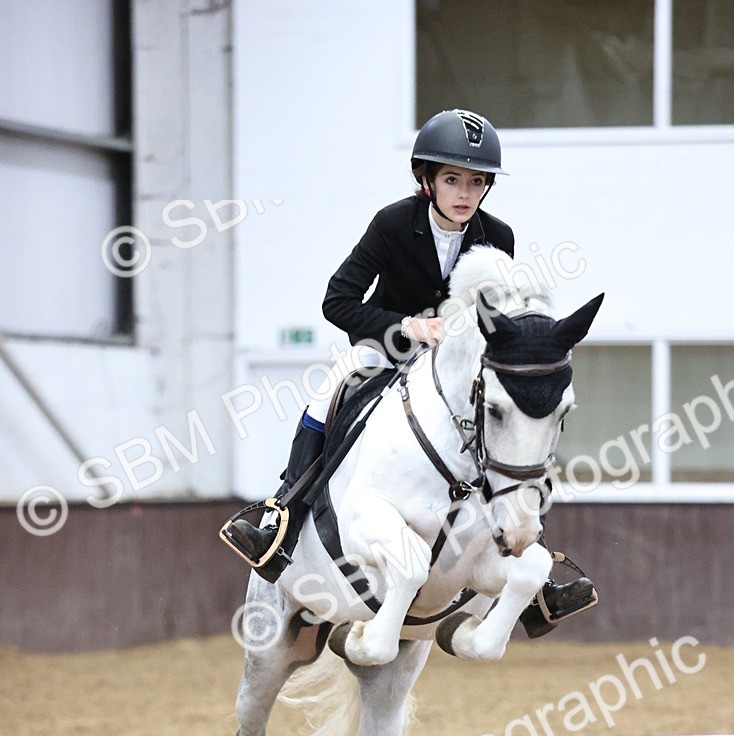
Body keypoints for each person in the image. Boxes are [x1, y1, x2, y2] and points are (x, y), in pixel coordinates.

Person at [221, 108, 596, 637]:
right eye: (452, 180)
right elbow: (338, 301)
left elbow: (498, 321)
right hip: (387, 348)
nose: (465, 193)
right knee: (329, 389)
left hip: (454, 367)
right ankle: (279, 517)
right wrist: (408, 328)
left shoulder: (498, 236)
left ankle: (529, 560)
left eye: (476, 181)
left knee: (510, 422)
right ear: (427, 180)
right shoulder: (393, 223)